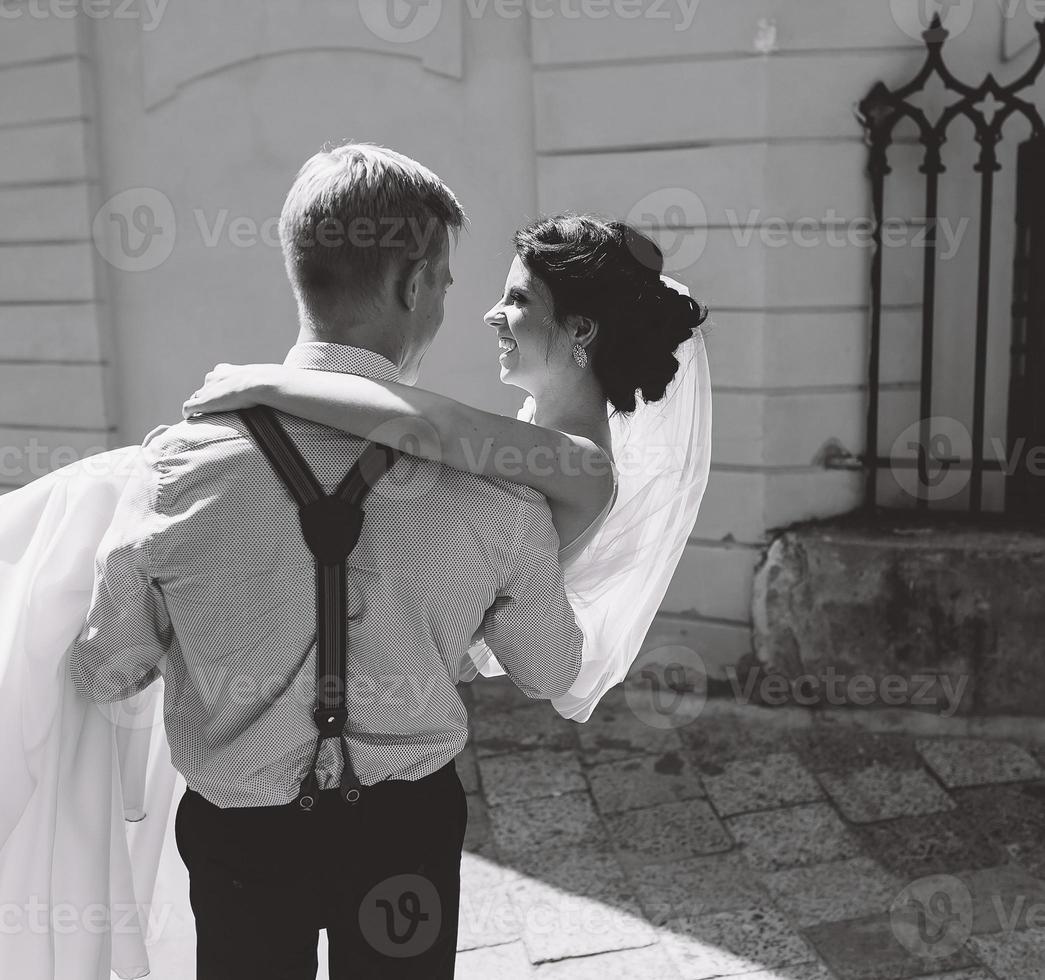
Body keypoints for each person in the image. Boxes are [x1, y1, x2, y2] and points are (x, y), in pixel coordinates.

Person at [0, 143, 590, 980]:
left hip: (243, 843)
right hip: (402, 839)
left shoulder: (173, 472)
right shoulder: (494, 495)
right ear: (413, 283)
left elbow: (107, 669)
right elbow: (551, 668)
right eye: (448, 281)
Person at [185, 212, 713, 722]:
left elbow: (432, 426)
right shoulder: (537, 430)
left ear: (580, 330)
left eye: (518, 298)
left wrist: (267, 384)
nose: (492, 314)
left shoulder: (583, 462)